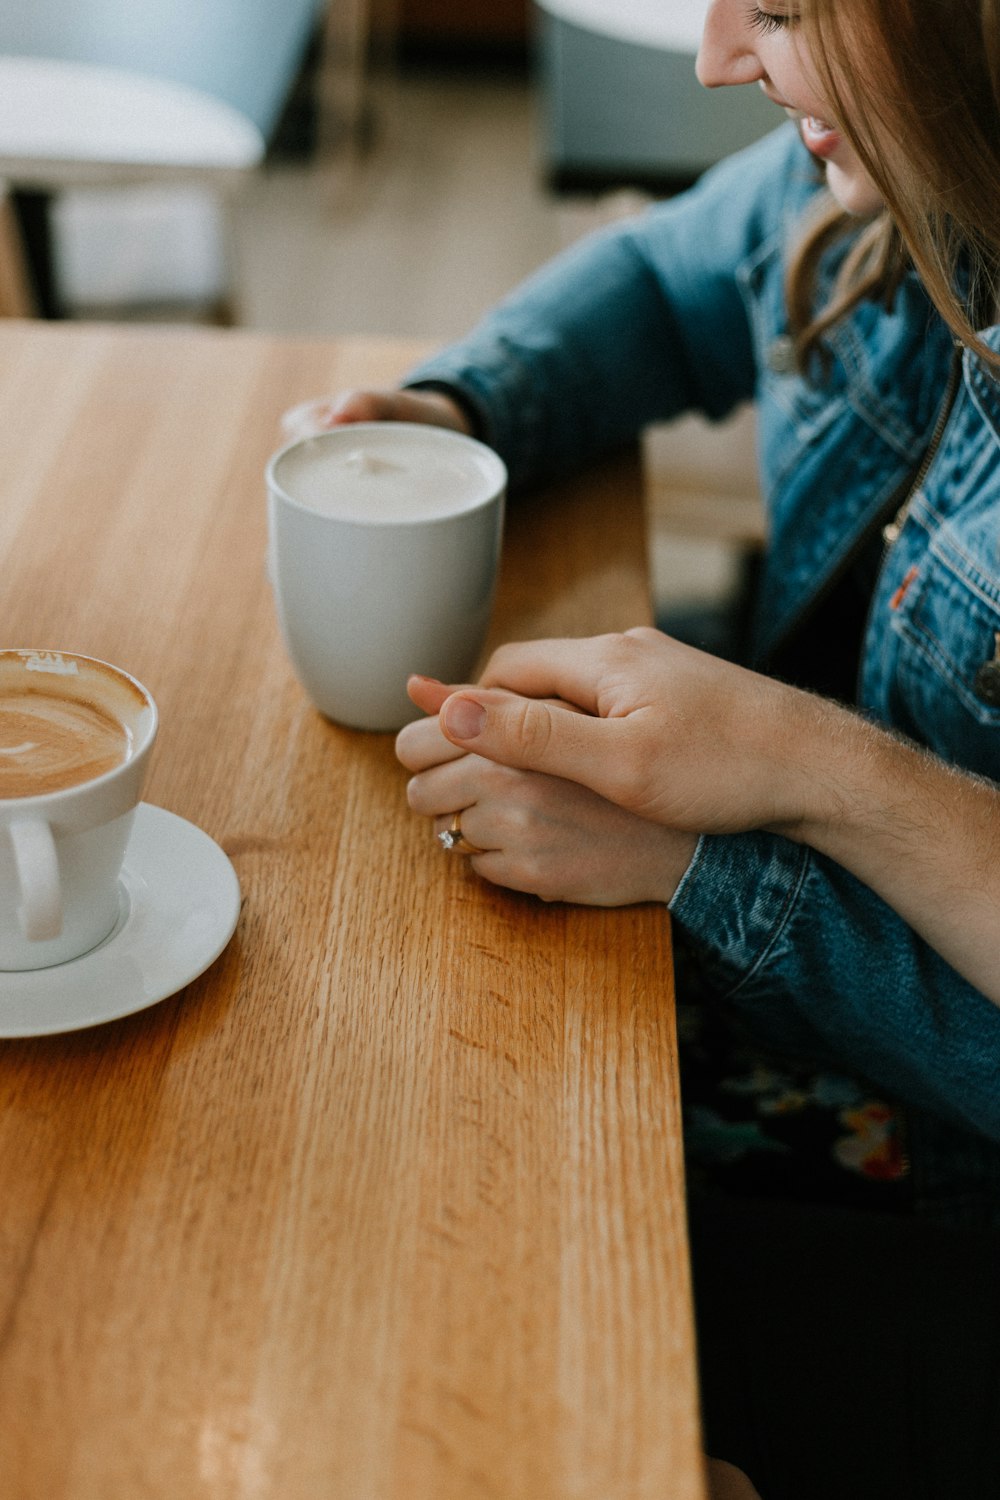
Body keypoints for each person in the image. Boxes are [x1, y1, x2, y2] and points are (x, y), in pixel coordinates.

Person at [297, 2, 1000, 1495]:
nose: (715, 57)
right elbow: (681, 274)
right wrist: (463, 399)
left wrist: (742, 834)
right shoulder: (929, 182)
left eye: (789, 7)